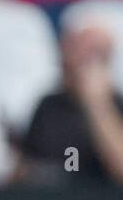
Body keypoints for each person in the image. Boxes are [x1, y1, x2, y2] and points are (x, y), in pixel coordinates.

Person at [21, 19, 123, 186]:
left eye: (96, 53)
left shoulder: (118, 105)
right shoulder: (49, 106)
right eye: (78, 49)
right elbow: (28, 168)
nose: (85, 61)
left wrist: (97, 104)